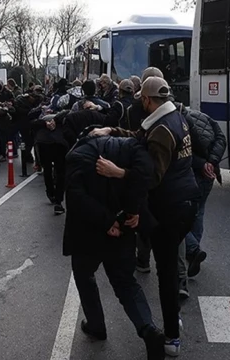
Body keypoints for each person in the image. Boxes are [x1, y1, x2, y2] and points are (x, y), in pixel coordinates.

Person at [90, 76, 200, 357]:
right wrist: (110, 130)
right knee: (170, 265)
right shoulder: (174, 117)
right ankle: (173, 319)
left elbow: (150, 178)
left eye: (143, 99)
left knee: (166, 273)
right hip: (186, 200)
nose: (141, 103)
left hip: (171, 206)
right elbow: (138, 138)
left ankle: (172, 338)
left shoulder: (162, 128)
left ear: (148, 100)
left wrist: (118, 173)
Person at [64, 129, 166, 360]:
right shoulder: (133, 148)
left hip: (88, 231)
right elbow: (144, 176)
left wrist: (107, 221)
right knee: (126, 283)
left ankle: (96, 324)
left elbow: (75, 196)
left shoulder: (78, 154)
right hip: (124, 226)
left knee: (85, 276)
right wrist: (133, 210)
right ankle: (148, 328)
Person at [181, 105, 227, 279]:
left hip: (193, 174)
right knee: (199, 212)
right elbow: (221, 138)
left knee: (179, 215)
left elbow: (183, 152)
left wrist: (202, 164)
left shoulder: (178, 123)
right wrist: (212, 162)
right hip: (209, 174)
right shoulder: (204, 116)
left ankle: (193, 251)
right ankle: (194, 253)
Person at [32, 101, 70, 215]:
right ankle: (58, 200)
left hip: (45, 144)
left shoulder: (44, 118)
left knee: (47, 170)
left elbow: (32, 122)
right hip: (58, 145)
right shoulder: (64, 118)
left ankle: (50, 192)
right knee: (60, 172)